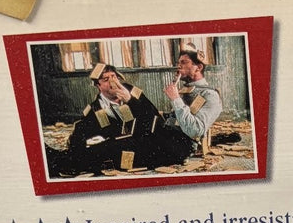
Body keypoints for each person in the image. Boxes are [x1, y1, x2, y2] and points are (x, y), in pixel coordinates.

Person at [46, 63, 191, 178]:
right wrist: (75, 151)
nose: (112, 82)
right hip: (119, 147)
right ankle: (56, 159)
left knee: (173, 148)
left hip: (148, 140)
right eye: (106, 79)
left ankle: (58, 160)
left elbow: (153, 117)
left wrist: (130, 101)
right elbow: (80, 133)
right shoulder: (96, 108)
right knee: (96, 153)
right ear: (98, 86)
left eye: (114, 76)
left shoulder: (132, 92)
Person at [163, 49, 240, 147]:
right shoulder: (186, 90)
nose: (179, 66)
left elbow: (195, 130)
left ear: (198, 68)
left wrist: (176, 100)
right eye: (179, 63)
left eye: (184, 62)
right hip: (169, 135)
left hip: (182, 145)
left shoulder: (210, 95)